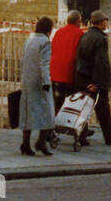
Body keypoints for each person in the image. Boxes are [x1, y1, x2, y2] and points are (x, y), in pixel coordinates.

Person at [73, 10, 111, 145]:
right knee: (103, 110)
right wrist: (98, 82)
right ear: (101, 23)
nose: (107, 23)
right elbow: (101, 63)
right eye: (105, 20)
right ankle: (110, 136)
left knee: (83, 108)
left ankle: (81, 137)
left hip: (82, 78)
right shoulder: (100, 38)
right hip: (94, 80)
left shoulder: (85, 36)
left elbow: (80, 58)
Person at [19, 17, 56, 156]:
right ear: (49, 29)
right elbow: (44, 64)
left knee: (27, 112)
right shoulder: (45, 42)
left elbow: (23, 61)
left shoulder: (29, 40)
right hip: (39, 82)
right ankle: (41, 142)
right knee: (47, 112)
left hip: (27, 80)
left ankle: (25, 143)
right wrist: (46, 81)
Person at [49, 11, 84, 113]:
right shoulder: (79, 34)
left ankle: (51, 126)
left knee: (56, 103)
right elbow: (80, 55)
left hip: (55, 73)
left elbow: (53, 49)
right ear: (78, 21)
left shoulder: (59, 32)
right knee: (71, 105)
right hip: (69, 74)